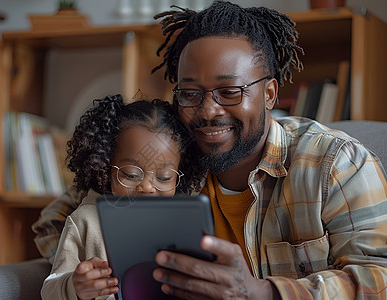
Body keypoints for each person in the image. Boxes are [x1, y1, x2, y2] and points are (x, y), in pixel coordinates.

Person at [34, 1, 387, 299]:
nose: (208, 111)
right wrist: (92, 280)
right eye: (190, 94)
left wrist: (261, 292)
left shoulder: (337, 164)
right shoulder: (168, 159)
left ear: (269, 94)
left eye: (230, 91)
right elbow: (55, 222)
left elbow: (380, 280)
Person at [38, 94, 203, 300]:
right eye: (131, 174)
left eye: (163, 177)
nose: (147, 187)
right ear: (105, 166)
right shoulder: (86, 220)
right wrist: (75, 286)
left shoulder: (180, 223)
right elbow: (50, 290)